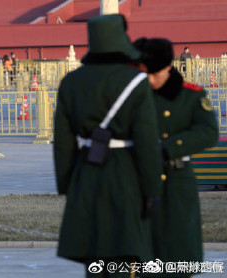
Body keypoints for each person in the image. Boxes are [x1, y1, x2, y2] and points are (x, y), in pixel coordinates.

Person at [54, 14, 163, 277]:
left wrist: (68, 184)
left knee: (95, 255)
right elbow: (148, 142)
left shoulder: (71, 83)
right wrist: (151, 189)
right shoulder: (136, 82)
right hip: (125, 173)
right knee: (123, 254)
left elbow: (63, 142)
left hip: (86, 172)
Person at [133, 38, 218, 277]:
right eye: (145, 74)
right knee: (144, 253)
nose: (150, 80)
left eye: (155, 74)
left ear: (168, 67)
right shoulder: (135, 95)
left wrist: (167, 146)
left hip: (176, 181)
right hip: (141, 180)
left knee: (179, 249)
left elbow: (208, 132)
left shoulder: (190, 96)